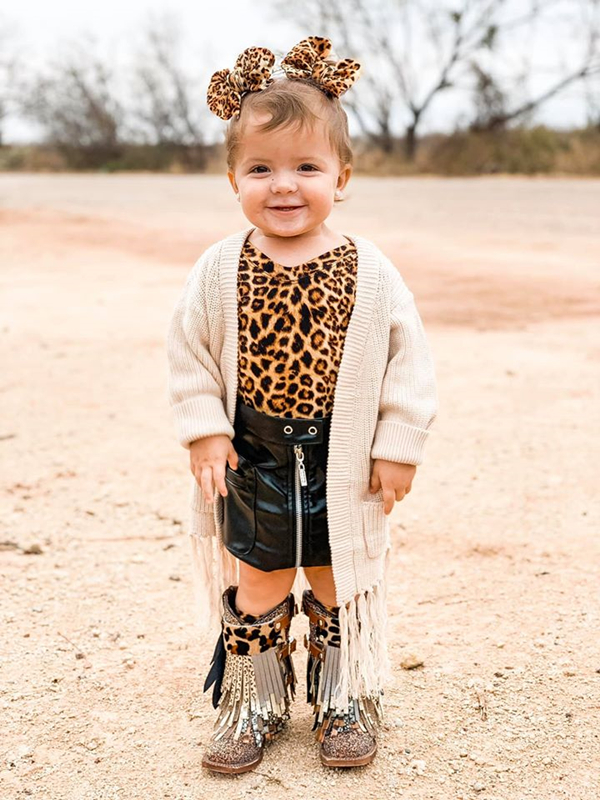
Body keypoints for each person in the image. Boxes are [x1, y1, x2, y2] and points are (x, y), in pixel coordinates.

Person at [166, 36, 437, 775]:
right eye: (261, 168)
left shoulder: (370, 271)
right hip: (252, 454)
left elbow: (408, 363)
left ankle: (345, 695)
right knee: (255, 579)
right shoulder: (220, 269)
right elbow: (188, 354)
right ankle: (252, 703)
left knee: (334, 575)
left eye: (306, 168)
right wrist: (204, 433)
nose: (283, 186)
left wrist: (397, 445)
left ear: (341, 176)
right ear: (233, 179)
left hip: (339, 456)